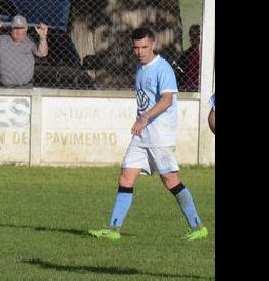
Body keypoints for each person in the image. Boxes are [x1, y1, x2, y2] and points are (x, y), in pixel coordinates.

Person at [89, 27, 208, 242]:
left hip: (160, 136)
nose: (140, 52)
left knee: (170, 181)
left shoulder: (162, 69)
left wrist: (144, 118)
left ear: (153, 45)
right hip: (142, 136)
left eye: (144, 47)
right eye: (136, 48)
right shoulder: (140, 68)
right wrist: (142, 122)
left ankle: (198, 226)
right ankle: (113, 229)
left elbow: (166, 100)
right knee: (126, 176)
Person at [0, 15, 47, 87]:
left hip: (25, 87)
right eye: (16, 28)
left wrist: (43, 38)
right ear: (11, 29)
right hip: (4, 87)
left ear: (26, 29)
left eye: (21, 28)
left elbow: (42, 53)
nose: (19, 31)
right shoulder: (2, 39)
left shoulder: (30, 41)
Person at [176, 25, 201, 91]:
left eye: (197, 35)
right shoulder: (188, 53)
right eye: (193, 36)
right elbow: (180, 66)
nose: (194, 38)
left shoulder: (205, 53)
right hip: (189, 84)